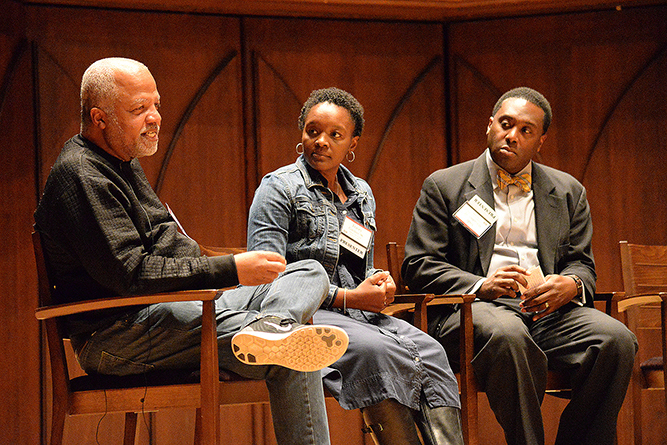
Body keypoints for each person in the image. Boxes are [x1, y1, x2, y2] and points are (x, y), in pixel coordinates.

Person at [33, 57, 349, 445]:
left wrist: (227, 278)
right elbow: (133, 274)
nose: (154, 117)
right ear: (99, 118)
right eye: (139, 109)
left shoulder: (120, 160)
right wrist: (230, 270)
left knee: (308, 272)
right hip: (116, 334)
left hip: (170, 309)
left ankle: (271, 327)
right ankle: (276, 332)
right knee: (295, 352)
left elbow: (166, 236)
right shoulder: (80, 173)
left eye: (156, 105)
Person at [402, 87, 638, 445]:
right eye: (505, 124)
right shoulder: (445, 186)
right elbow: (419, 264)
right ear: (489, 126)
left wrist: (572, 284)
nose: (512, 135)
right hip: (474, 312)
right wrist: (482, 284)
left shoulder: (568, 191)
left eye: (525, 130)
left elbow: (582, 264)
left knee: (617, 340)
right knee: (509, 335)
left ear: (541, 141)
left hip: (545, 313)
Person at [246, 87, 464, 445]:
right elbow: (266, 276)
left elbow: (360, 266)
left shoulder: (361, 192)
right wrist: (348, 298)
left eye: (335, 135)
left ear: (352, 145)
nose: (321, 142)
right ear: (301, 134)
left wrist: (379, 283)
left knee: (430, 350)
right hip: (302, 314)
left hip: (358, 314)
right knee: (381, 352)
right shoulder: (279, 187)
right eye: (313, 131)